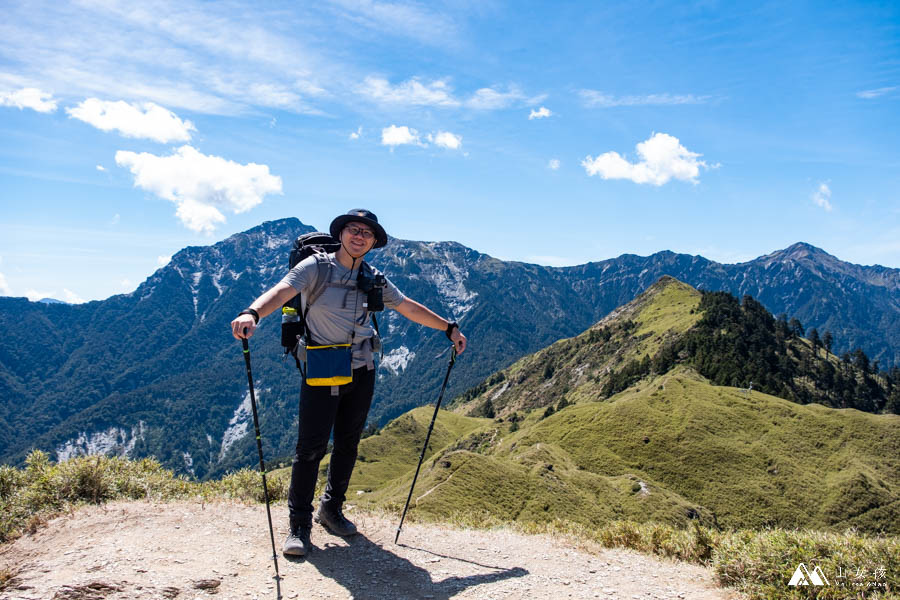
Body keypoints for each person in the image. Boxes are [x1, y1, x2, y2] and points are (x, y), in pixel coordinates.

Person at [230, 209, 467, 556]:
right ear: (341, 233)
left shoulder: (374, 278)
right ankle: (299, 526)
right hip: (322, 366)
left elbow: (408, 308)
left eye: (367, 234)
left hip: (362, 368)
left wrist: (448, 327)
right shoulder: (315, 268)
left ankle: (332, 509)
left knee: (348, 444)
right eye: (354, 230)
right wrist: (252, 312)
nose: (360, 236)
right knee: (310, 448)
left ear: (373, 243)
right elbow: (282, 291)